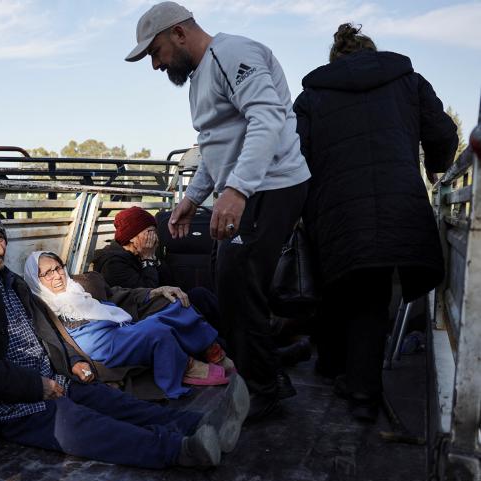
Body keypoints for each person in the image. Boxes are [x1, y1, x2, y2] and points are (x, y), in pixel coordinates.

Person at [0, 206, 250, 469]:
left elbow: (48, 331)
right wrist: (35, 386)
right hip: (10, 404)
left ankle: (199, 425)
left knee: (114, 401)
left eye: (0, 237)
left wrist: (72, 362)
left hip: (51, 380)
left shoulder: (10, 281)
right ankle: (181, 451)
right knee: (90, 426)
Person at [126, 2, 311, 420]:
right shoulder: (199, 78)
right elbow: (215, 148)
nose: (156, 65)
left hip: (273, 184)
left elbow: (267, 117)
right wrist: (192, 198)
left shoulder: (232, 54)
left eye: (156, 52)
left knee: (238, 281)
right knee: (231, 283)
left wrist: (238, 189)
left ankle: (264, 389)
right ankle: (270, 376)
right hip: (251, 187)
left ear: (178, 33)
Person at [293, 24, 458, 421]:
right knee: (372, 291)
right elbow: (444, 134)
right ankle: (359, 385)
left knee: (340, 284)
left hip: (334, 209)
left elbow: (296, 155)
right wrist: (437, 168)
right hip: (397, 202)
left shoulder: (312, 96)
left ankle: (350, 379)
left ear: (336, 60)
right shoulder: (409, 82)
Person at [26, 251, 234, 397]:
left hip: (113, 326)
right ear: (36, 280)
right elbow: (51, 340)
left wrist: (154, 291)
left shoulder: (79, 287)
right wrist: (74, 362)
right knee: (157, 330)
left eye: (58, 268)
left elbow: (115, 294)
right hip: (93, 340)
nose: (57, 276)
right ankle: (185, 367)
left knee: (173, 304)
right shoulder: (40, 304)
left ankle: (209, 350)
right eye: (47, 273)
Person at [91, 205, 222, 330]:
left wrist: (153, 258)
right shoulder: (112, 263)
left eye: (155, 232)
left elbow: (171, 282)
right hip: (139, 316)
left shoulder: (145, 251)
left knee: (201, 295)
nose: (154, 237)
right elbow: (146, 295)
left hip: (161, 307)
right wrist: (147, 259)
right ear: (131, 237)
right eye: (149, 232)